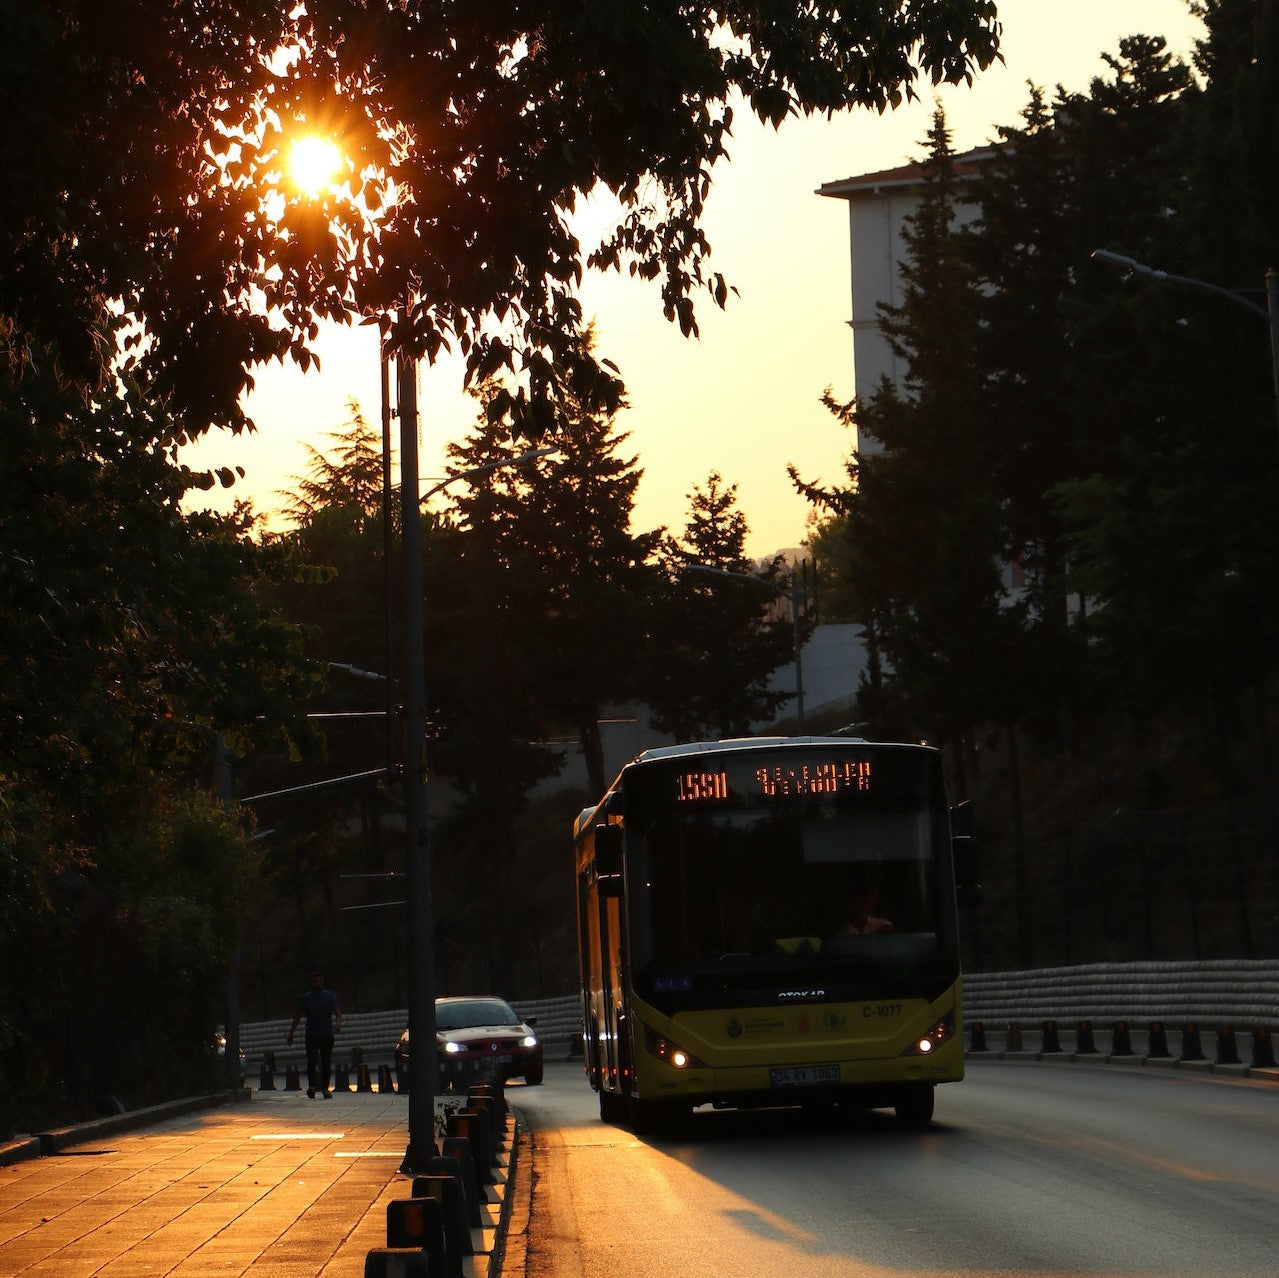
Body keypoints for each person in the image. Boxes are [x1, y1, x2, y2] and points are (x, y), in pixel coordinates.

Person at [288, 971, 343, 1099]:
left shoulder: (330, 997)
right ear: (311, 983)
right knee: (311, 1060)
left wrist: (338, 1023)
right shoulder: (305, 998)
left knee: (326, 1062)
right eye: (315, 982)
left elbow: (338, 1012)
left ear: (323, 983)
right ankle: (312, 1086)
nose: (318, 984)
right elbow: (297, 1015)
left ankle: (325, 1088)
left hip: (327, 1034)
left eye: (320, 982)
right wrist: (292, 1032)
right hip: (312, 1034)